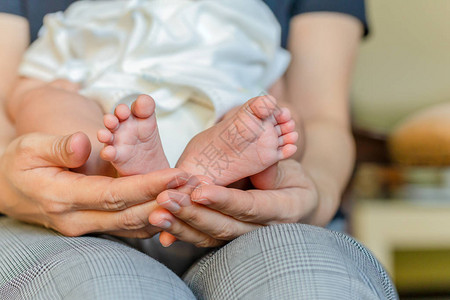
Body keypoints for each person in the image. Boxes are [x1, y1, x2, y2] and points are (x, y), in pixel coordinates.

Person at [0, 1, 399, 299]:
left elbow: (317, 115)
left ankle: (218, 170)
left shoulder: (243, 20)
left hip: (226, 155)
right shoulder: (86, 20)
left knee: (269, 120)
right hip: (91, 170)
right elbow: (16, 95)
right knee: (52, 106)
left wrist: (305, 180)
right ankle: (115, 173)